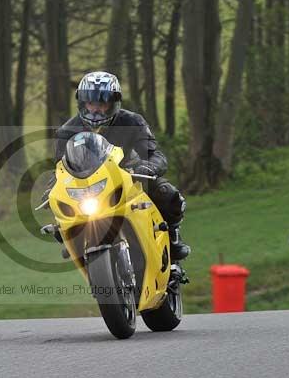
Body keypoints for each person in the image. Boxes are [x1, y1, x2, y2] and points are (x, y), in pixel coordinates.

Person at [54, 71, 190, 260]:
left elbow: (154, 154)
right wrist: (54, 186)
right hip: (87, 187)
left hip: (130, 176)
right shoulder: (67, 131)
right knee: (59, 216)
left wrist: (148, 167)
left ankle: (173, 236)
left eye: (102, 104)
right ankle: (74, 243)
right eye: (91, 103)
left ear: (113, 103)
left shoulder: (132, 121)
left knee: (167, 193)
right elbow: (60, 168)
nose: (95, 110)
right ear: (82, 103)